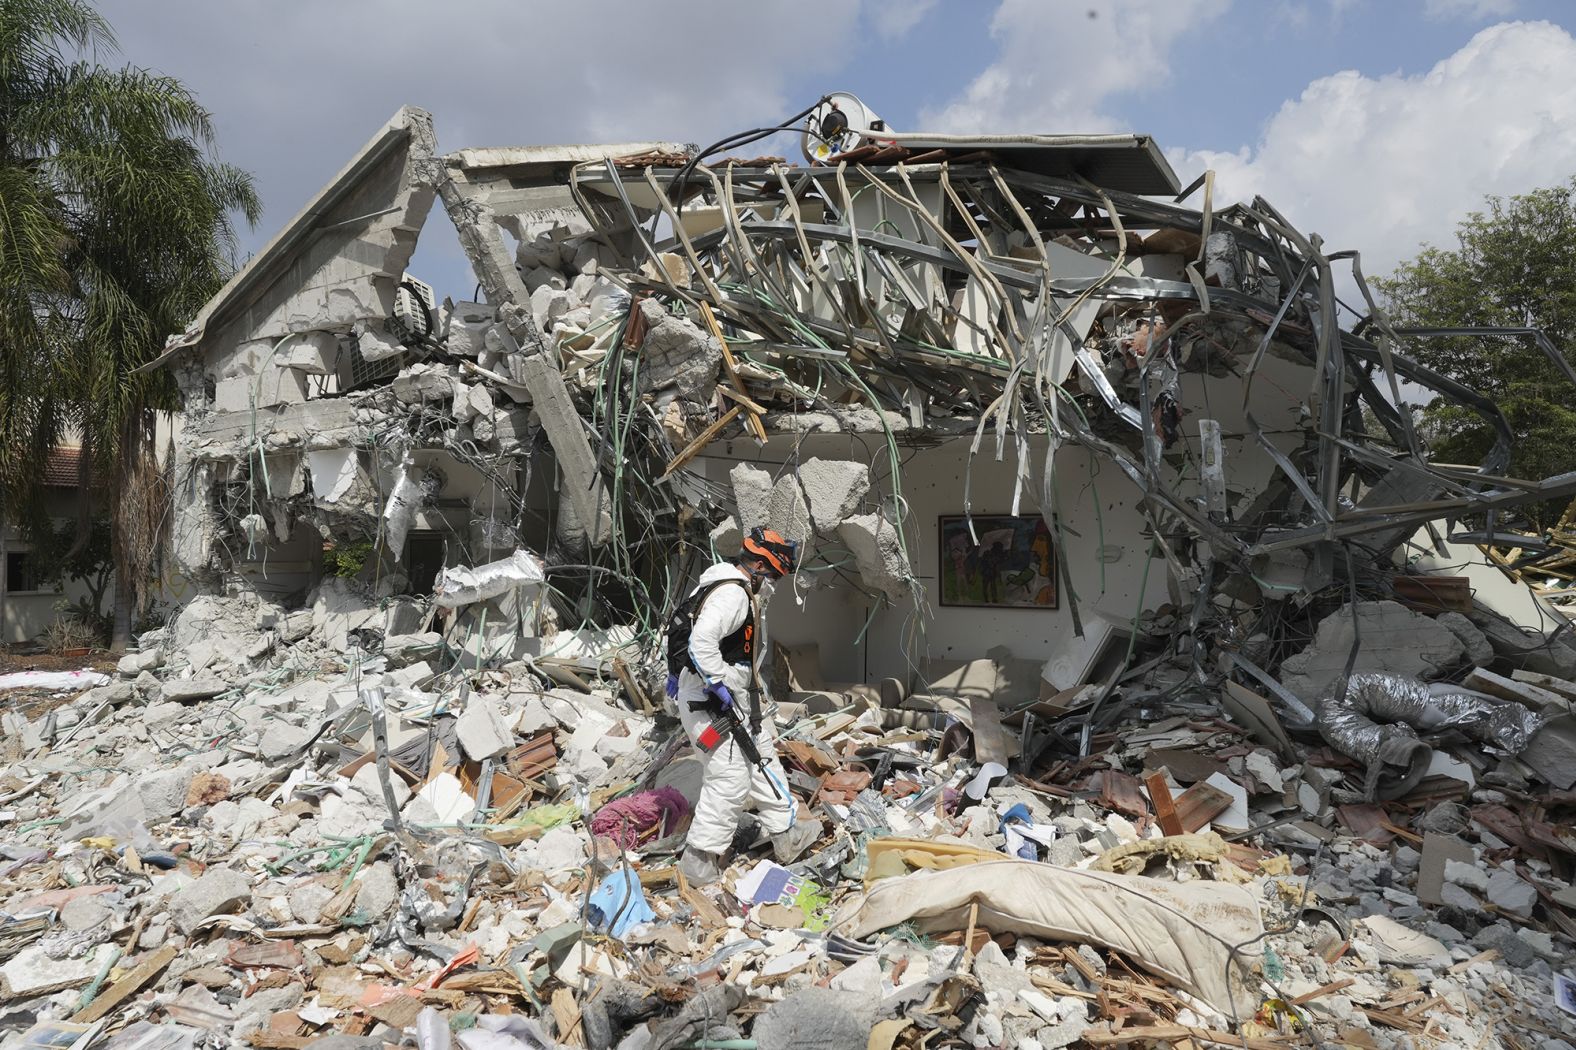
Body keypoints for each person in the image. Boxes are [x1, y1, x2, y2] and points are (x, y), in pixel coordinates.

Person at [672, 527, 820, 886]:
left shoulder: (721, 586)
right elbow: (701, 640)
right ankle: (698, 860)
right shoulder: (732, 595)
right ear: (757, 565)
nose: (772, 584)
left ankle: (785, 833)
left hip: (735, 697)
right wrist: (716, 684)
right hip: (712, 702)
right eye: (771, 576)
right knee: (730, 776)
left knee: (762, 758)